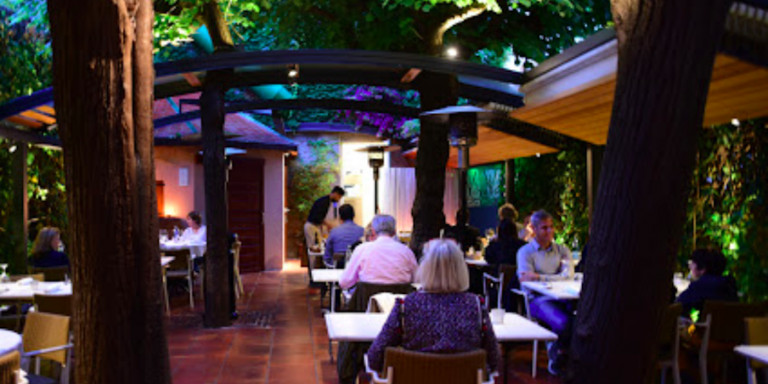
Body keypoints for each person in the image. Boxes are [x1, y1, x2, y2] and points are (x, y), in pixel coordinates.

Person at [366, 239, 500, 374]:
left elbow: (374, 358)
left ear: (425, 268)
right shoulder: (476, 306)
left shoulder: (405, 306)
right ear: (461, 269)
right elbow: (494, 360)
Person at [516, 210, 573, 375]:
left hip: (563, 297)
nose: (549, 232)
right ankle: (558, 354)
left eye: (551, 227)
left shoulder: (562, 250)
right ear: (533, 229)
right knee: (565, 323)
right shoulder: (525, 253)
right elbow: (527, 281)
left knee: (582, 319)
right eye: (544, 228)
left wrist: (539, 277)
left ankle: (560, 351)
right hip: (536, 299)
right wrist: (556, 277)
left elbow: (567, 276)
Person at [339, 214, 418, 290]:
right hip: (398, 301)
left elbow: (344, 282)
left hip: (367, 300)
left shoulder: (362, 250)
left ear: (373, 231)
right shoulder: (406, 252)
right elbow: (417, 280)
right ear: (394, 231)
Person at [676, 248, 738, 315]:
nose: (690, 267)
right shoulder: (729, 285)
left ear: (702, 268)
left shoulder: (700, 286)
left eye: (692, 263)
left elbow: (677, 306)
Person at [304, 186, 345, 251]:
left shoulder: (330, 202)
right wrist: (329, 225)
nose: (339, 199)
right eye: (339, 197)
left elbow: (333, 215)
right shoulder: (323, 202)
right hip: (311, 226)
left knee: (318, 248)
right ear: (335, 194)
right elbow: (318, 217)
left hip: (315, 227)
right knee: (313, 250)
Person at [323, 204, 364, 268]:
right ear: (354, 216)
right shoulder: (363, 231)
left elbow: (327, 257)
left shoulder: (334, 232)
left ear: (340, 217)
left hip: (338, 270)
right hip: (357, 269)